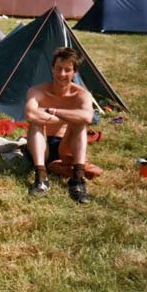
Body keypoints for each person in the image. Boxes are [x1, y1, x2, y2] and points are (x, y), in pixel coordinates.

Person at [25, 47, 94, 203]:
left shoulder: (82, 94)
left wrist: (52, 111)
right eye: (58, 69)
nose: (62, 74)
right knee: (36, 123)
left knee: (80, 124)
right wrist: (70, 116)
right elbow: (30, 114)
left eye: (67, 70)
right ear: (52, 69)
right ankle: (41, 176)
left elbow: (88, 117)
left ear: (74, 72)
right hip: (40, 147)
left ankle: (77, 179)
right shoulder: (37, 91)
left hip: (65, 147)